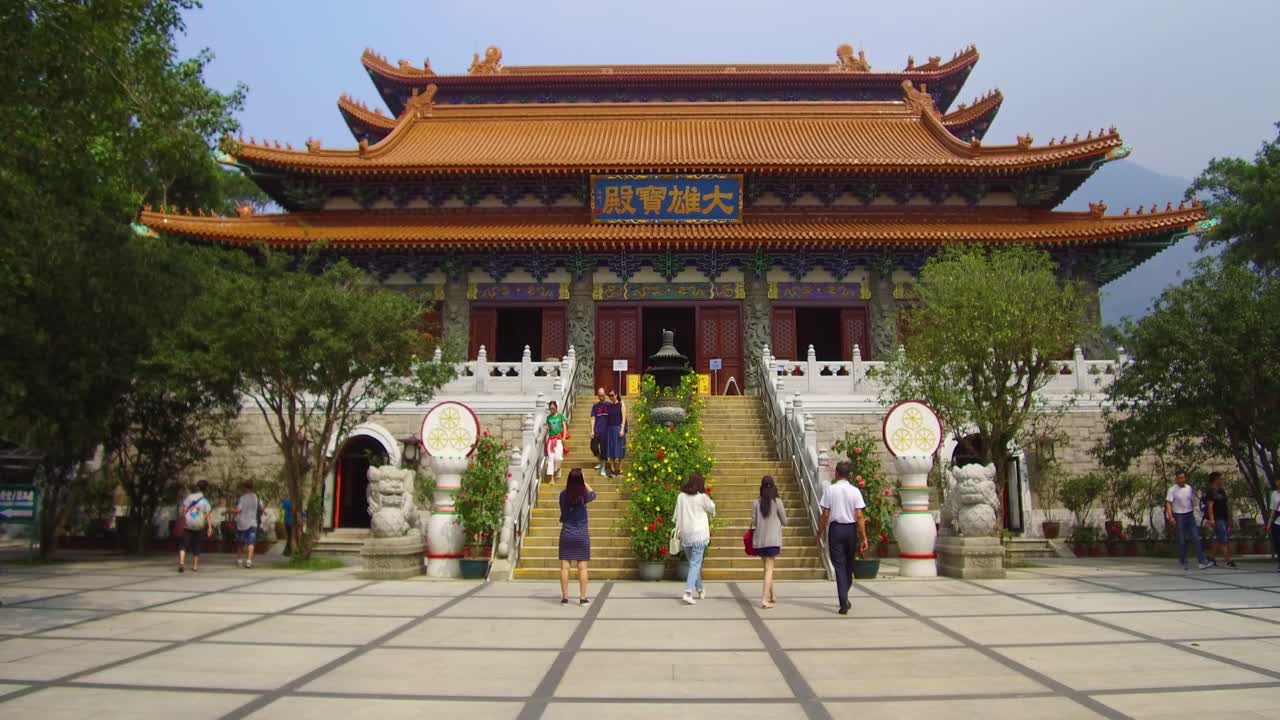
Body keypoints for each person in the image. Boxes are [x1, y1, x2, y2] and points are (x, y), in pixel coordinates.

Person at [816, 461, 868, 615]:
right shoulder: (855, 491)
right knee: (848, 565)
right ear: (849, 475)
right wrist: (864, 537)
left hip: (836, 530)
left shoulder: (830, 490)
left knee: (839, 566)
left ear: (836, 473)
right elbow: (859, 515)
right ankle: (844, 599)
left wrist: (820, 531)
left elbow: (825, 514)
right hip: (850, 530)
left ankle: (843, 600)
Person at [675, 471, 716, 605]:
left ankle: (700, 589)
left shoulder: (681, 496)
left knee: (693, 563)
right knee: (695, 564)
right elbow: (712, 508)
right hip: (699, 534)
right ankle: (688, 592)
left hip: (686, 534)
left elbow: (677, 514)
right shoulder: (701, 497)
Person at [558, 468, 597, 606]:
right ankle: (583, 598)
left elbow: (563, 510)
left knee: (564, 568)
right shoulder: (584, 496)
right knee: (583, 568)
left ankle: (565, 598)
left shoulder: (563, 495)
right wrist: (584, 483)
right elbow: (594, 494)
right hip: (581, 534)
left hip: (567, 533)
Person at [752, 475, 787, 609]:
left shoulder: (756, 502)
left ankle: (772, 595)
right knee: (769, 569)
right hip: (773, 541)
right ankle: (764, 600)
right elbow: (784, 521)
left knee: (766, 569)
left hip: (760, 541)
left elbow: (754, 522)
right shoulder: (777, 501)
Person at [1166, 471, 1213, 570]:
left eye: (1182, 478)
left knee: (1196, 537)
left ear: (1185, 478)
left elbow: (1192, 502)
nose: (1181, 480)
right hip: (1179, 515)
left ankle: (1202, 561)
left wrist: (1198, 514)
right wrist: (1170, 517)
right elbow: (1169, 504)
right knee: (1182, 539)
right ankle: (1183, 561)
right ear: (1176, 479)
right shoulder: (1172, 490)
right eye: (1179, 478)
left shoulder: (1189, 488)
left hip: (1189, 514)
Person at [178, 480, 213, 573]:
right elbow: (207, 515)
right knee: (197, 545)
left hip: (188, 524)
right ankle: (195, 566)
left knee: (183, 544)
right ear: (205, 489)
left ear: (197, 487)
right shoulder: (205, 501)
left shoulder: (190, 497)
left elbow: (184, 510)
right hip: (199, 525)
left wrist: (188, 516)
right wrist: (209, 527)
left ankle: (181, 562)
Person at [1204, 472, 1237, 569]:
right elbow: (1210, 506)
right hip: (1217, 518)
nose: (1222, 480)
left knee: (1220, 539)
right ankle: (1228, 560)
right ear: (1215, 480)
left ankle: (1211, 558)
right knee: (1223, 539)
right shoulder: (1211, 491)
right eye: (1220, 478)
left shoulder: (1222, 491)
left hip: (1224, 517)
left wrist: (1229, 519)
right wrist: (1212, 519)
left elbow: (1226, 504)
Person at [232, 480, 262, 568]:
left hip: (242, 523)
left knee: (241, 542)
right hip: (253, 523)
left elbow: (238, 510)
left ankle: (239, 559)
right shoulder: (257, 497)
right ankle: (249, 561)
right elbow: (262, 508)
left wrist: (229, 510)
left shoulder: (242, 498)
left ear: (244, 488)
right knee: (251, 543)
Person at [605, 390, 627, 477]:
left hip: (618, 428)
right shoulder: (609, 406)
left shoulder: (621, 405)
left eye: (612, 395)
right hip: (610, 429)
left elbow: (624, 418)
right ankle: (612, 469)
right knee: (611, 449)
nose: (611, 397)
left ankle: (619, 469)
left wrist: (622, 429)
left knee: (620, 448)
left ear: (616, 395)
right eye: (609, 395)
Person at [590, 388, 610, 477]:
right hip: (597, 430)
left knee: (603, 449)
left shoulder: (609, 405)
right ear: (597, 396)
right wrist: (592, 430)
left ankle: (603, 468)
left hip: (606, 430)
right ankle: (601, 462)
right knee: (593, 447)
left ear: (605, 395)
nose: (601, 397)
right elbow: (593, 418)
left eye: (602, 395)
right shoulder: (595, 406)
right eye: (599, 396)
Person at [545, 400, 566, 484]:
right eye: (550, 408)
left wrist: (564, 437)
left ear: (556, 408)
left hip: (558, 439)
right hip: (551, 439)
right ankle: (551, 479)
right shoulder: (548, 417)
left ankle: (558, 468)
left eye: (553, 408)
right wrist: (546, 427)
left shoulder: (561, 416)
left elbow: (564, 427)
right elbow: (548, 426)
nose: (552, 410)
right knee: (550, 459)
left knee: (558, 458)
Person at [1266, 476, 1280, 572]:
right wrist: (1269, 523)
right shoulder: (1274, 494)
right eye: (1277, 481)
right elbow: (1273, 510)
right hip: (1277, 522)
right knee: (1278, 543)